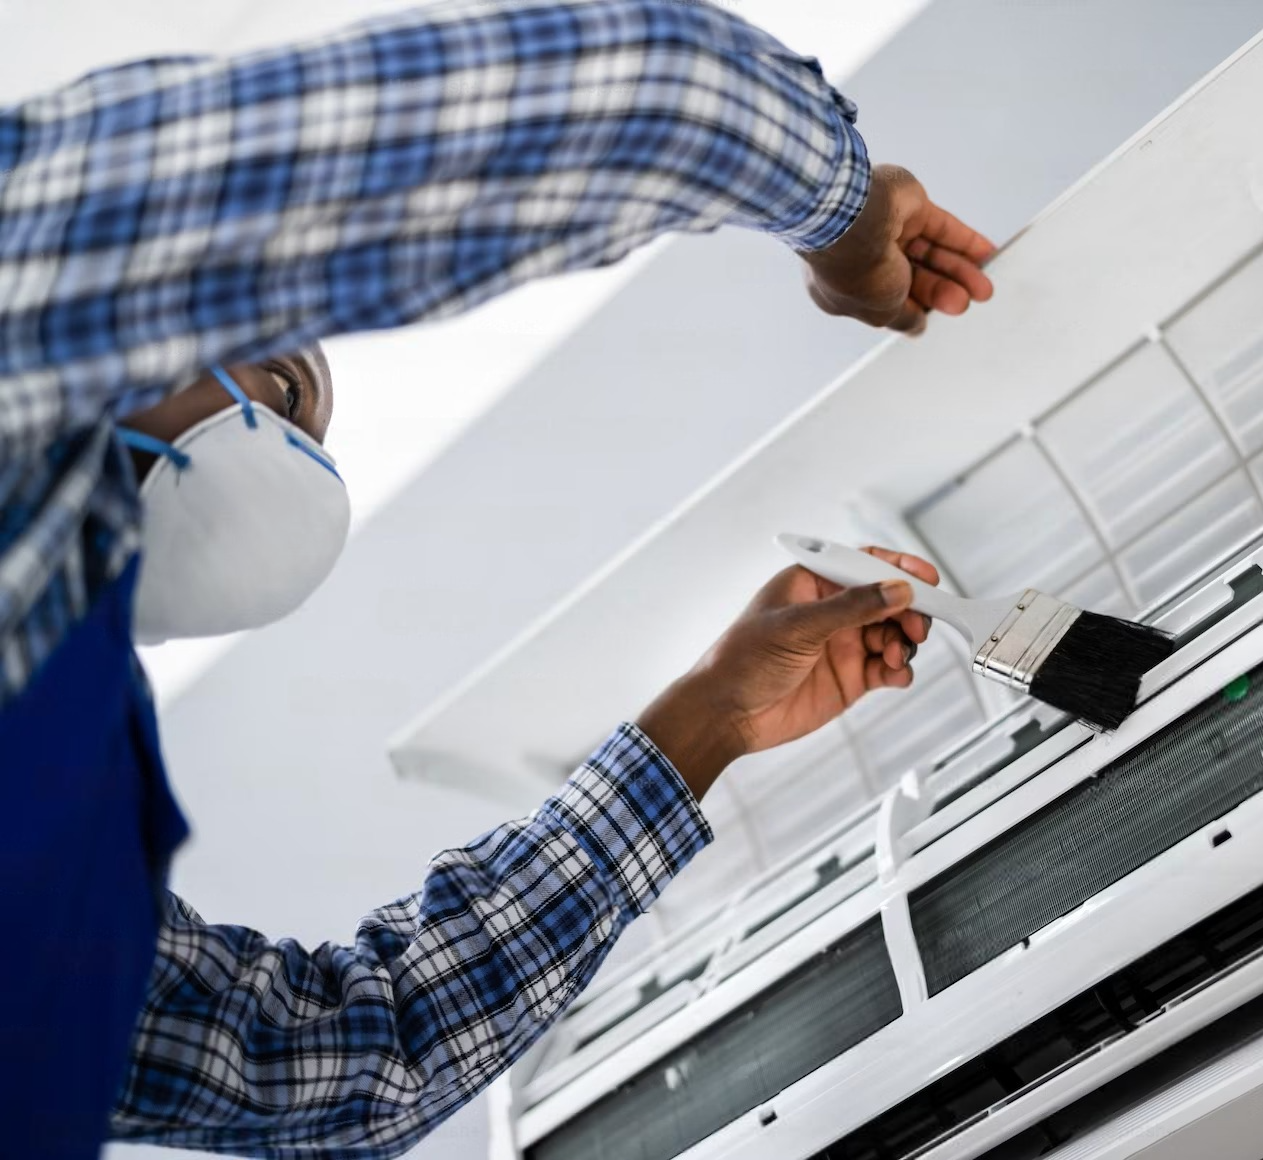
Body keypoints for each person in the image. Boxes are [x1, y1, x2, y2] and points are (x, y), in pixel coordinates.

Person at [0, 0, 995, 1155]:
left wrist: (716, 710)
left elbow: (356, 1067)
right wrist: (853, 225)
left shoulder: (64, 875)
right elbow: (666, 92)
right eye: (282, 373)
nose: (286, 407)